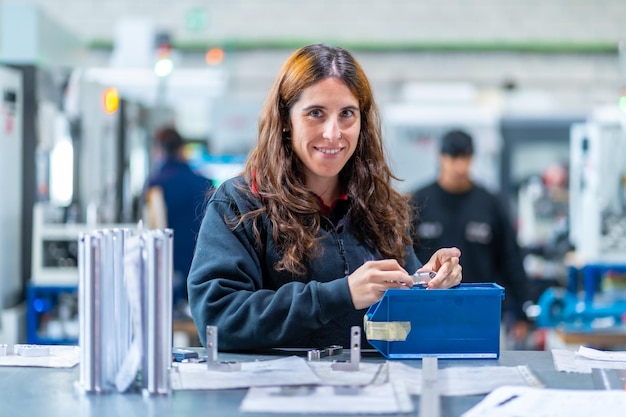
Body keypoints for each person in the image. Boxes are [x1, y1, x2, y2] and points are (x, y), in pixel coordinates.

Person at [187, 44, 462, 351]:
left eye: (347, 114)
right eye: (316, 114)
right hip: (275, 396)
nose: (333, 134)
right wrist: (341, 294)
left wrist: (428, 282)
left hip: (369, 394)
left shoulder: (381, 207)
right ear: (286, 121)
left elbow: (404, 320)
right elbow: (217, 318)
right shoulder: (242, 203)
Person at [410, 129, 530, 347]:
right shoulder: (417, 203)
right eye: (453, 158)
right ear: (441, 158)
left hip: (481, 313)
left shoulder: (491, 204)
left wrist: (521, 313)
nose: (459, 167)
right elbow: (402, 257)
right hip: (426, 312)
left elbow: (511, 258)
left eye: (465, 158)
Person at [145, 126, 214, 311]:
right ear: (182, 149)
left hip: (170, 269)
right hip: (203, 265)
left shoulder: (155, 185)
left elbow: (155, 229)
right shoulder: (204, 182)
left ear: (160, 151)